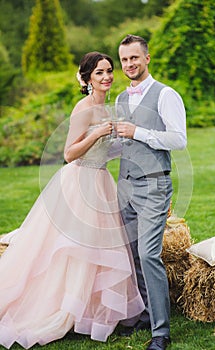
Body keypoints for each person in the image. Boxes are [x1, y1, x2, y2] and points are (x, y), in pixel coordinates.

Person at [0, 51, 144, 349]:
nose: (106, 77)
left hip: (102, 181)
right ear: (88, 79)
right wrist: (96, 135)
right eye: (99, 73)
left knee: (99, 249)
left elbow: (105, 151)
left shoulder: (108, 107)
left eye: (108, 71)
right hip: (80, 183)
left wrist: (125, 141)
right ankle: (63, 309)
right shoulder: (85, 107)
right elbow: (69, 153)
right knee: (74, 250)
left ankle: (90, 312)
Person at [116, 35, 187, 350]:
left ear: (146, 58)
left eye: (134, 58)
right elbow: (123, 143)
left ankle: (161, 333)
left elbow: (178, 140)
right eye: (124, 60)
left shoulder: (166, 94)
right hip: (126, 184)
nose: (129, 64)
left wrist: (138, 132)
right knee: (131, 255)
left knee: (148, 254)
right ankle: (146, 314)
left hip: (154, 185)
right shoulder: (119, 98)